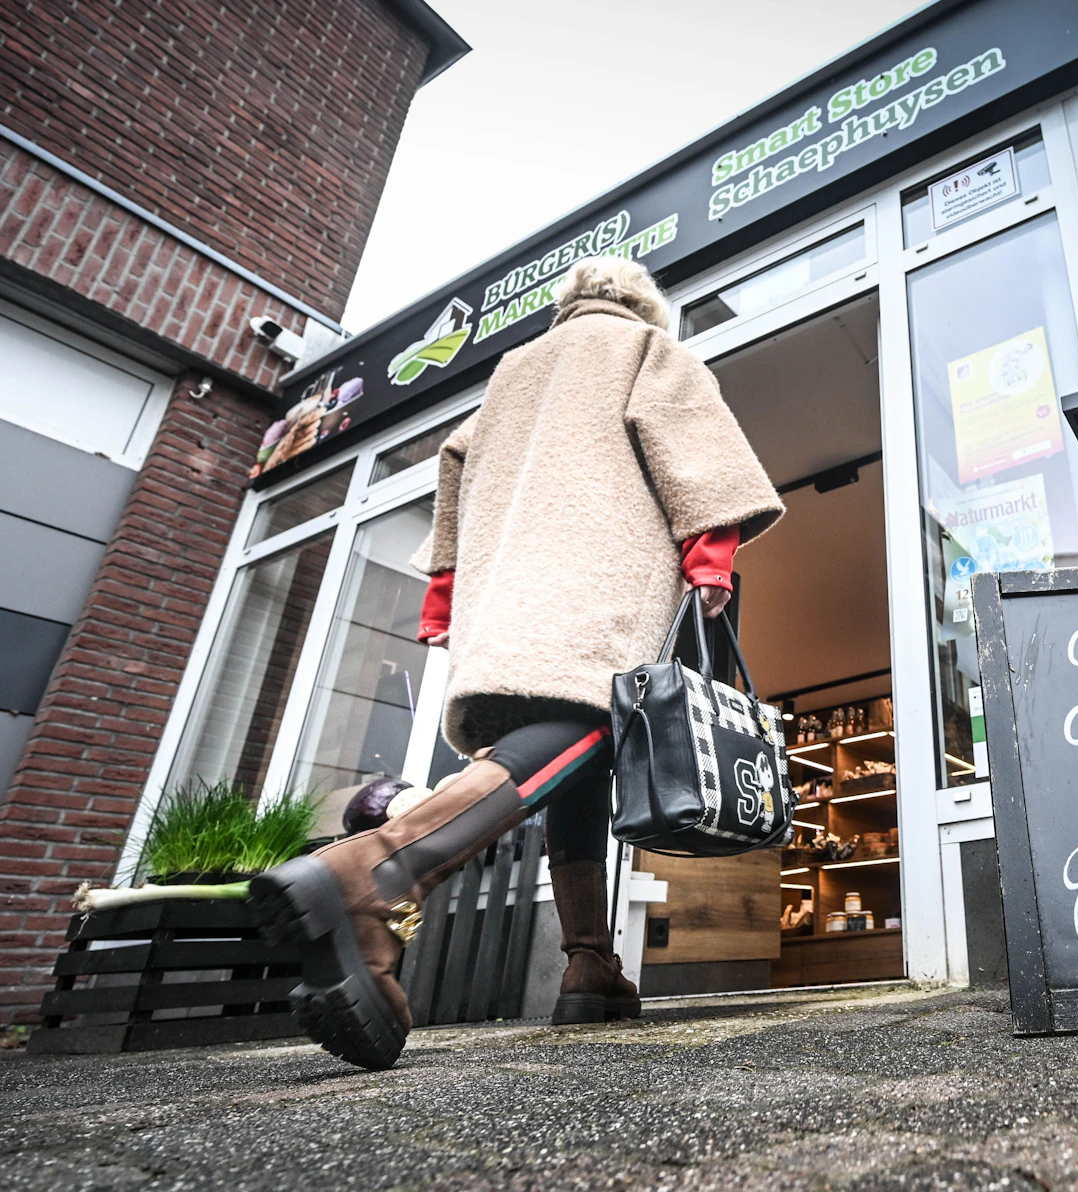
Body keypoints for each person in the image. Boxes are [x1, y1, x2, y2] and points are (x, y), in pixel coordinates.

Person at [251, 256, 783, 1070]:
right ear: (643, 305)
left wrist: (443, 599)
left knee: (575, 759)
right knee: (597, 718)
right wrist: (711, 559)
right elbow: (696, 445)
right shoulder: (645, 348)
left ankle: (588, 961)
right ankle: (378, 872)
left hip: (510, 590)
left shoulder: (512, 372)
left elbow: (455, 466)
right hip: (599, 573)